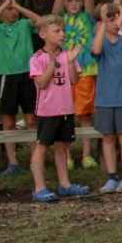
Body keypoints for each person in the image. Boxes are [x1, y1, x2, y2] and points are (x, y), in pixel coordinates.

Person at [28, 15, 88, 203]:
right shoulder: (37, 58)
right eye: (57, 31)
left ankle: (65, 185)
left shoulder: (66, 54)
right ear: (43, 34)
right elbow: (42, 83)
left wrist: (70, 61)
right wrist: (53, 64)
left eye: (63, 31)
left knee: (62, 147)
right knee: (42, 147)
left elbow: (74, 80)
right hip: (47, 111)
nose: (62, 34)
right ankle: (39, 188)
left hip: (66, 110)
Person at [0, 0, 40, 176]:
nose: (12, 11)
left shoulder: (24, 24)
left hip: (27, 75)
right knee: (8, 121)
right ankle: (12, 163)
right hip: (7, 76)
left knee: (31, 119)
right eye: (8, 9)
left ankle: (36, 161)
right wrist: (4, 5)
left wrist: (16, 4)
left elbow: (39, 20)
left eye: (14, 8)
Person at [90, 2, 122, 194]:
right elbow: (95, 51)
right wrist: (103, 22)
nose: (112, 20)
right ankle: (112, 177)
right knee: (108, 138)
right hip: (104, 99)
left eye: (115, 16)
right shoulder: (99, 40)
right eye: (108, 17)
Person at [52, 0, 97, 169]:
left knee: (84, 114)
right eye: (71, 0)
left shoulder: (87, 18)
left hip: (85, 70)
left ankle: (87, 155)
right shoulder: (59, 20)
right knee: (64, 114)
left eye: (76, 0)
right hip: (62, 72)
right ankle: (67, 156)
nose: (73, 3)